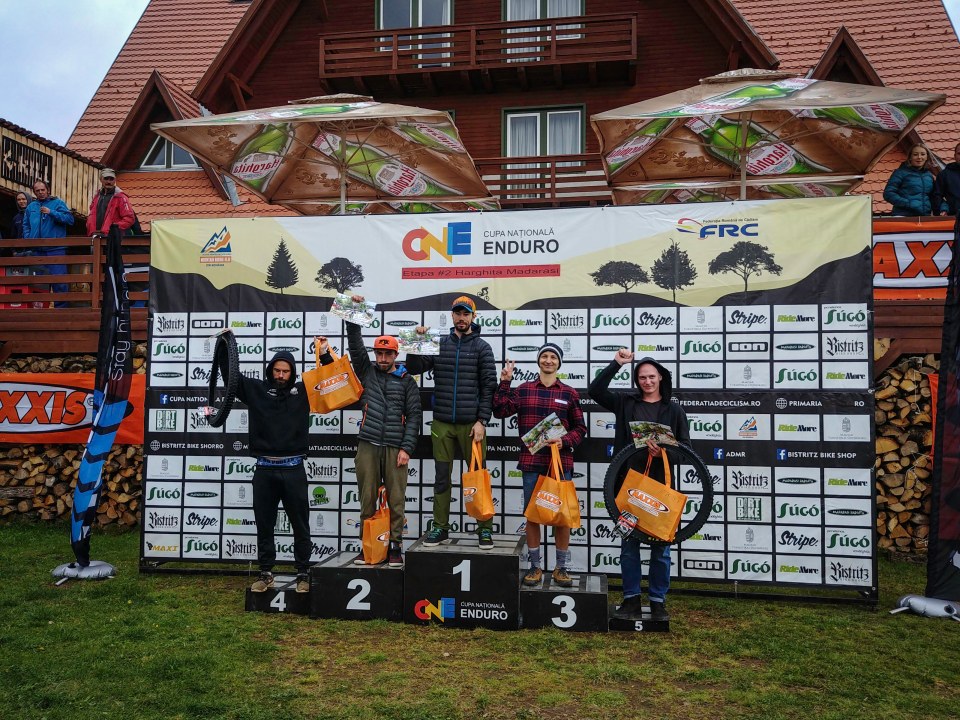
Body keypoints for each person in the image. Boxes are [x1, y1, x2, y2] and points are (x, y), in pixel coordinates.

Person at [589, 350, 690, 621]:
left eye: (652, 377)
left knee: (661, 550)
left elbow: (686, 451)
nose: (647, 381)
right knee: (629, 547)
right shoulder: (625, 403)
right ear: (637, 380)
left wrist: (664, 453)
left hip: (661, 490)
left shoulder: (674, 410)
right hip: (628, 486)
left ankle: (658, 602)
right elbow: (595, 390)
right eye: (642, 377)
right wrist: (617, 363)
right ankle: (631, 599)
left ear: (661, 378)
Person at [332, 304, 421, 567]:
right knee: (367, 499)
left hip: (395, 447)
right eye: (379, 353)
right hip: (368, 444)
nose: (382, 358)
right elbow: (355, 344)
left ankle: (395, 547)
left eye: (387, 354)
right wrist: (353, 313)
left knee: (396, 500)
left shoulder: (407, 381)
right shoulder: (366, 371)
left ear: (395, 354)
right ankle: (368, 547)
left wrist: (407, 448)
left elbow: (415, 416)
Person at [406, 296, 497, 549]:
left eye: (466, 314)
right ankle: (440, 528)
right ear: (452, 316)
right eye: (458, 313)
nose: (461, 318)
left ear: (473, 317)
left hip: (471, 426)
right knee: (442, 478)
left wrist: (482, 420)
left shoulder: (482, 348)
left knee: (478, 478)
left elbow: (489, 387)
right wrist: (415, 342)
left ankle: (485, 530)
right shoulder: (439, 343)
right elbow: (413, 368)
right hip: (442, 423)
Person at [493, 343, 586, 588]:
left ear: (559, 362)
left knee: (562, 517)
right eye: (544, 356)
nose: (548, 360)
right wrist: (505, 382)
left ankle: (561, 568)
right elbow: (500, 411)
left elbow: (580, 428)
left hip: (560, 463)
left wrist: (564, 441)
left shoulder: (569, 393)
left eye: (553, 357)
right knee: (533, 516)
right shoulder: (524, 389)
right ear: (538, 361)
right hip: (531, 462)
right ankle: (535, 567)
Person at [229, 343, 315, 594]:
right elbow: (231, 377)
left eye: (285, 371)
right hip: (264, 469)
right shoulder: (256, 389)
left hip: (294, 468)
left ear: (292, 373)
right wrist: (224, 346)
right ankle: (265, 572)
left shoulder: (304, 391)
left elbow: (330, 379)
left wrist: (322, 352)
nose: (280, 375)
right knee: (264, 524)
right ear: (270, 371)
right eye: (277, 370)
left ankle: (303, 573)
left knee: (301, 524)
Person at [21, 180, 73, 307]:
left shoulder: (58, 203)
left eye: (42, 190)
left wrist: (51, 212)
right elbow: (26, 225)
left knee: (59, 282)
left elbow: (70, 219)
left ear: (48, 190)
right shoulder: (31, 207)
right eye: (37, 191)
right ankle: (39, 312)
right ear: (34, 192)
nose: (40, 192)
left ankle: (61, 312)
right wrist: (28, 238)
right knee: (38, 284)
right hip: (36, 251)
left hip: (55, 249)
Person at [883, 144, 942, 217]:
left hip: (924, 216)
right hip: (903, 215)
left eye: (923, 154)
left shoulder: (929, 175)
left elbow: (935, 196)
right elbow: (888, 193)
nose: (919, 157)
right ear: (910, 157)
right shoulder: (900, 173)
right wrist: (907, 203)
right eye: (915, 154)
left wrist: (943, 209)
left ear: (927, 157)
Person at [85, 168, 135, 237]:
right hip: (95, 236)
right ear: (101, 179)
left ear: (115, 180)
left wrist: (114, 229)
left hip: (113, 238)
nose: (109, 181)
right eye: (106, 178)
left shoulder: (121, 197)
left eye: (111, 179)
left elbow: (129, 219)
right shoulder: (97, 196)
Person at [936, 142, 960, 215]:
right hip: (952, 217)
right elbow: (938, 196)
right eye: (959, 153)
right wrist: (943, 210)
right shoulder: (944, 175)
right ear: (954, 156)